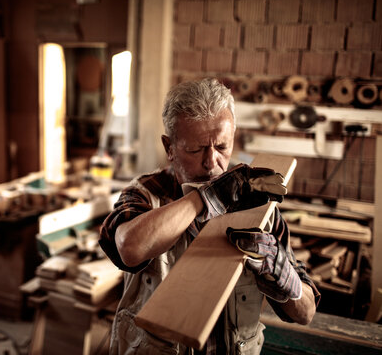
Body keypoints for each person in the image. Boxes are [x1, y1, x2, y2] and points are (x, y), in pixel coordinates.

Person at [99, 78, 320, 354]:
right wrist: (207, 198)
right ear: (169, 147)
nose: (211, 161)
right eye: (195, 149)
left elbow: (306, 312)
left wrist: (280, 272)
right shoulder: (145, 194)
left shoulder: (257, 203)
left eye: (222, 147)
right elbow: (129, 248)